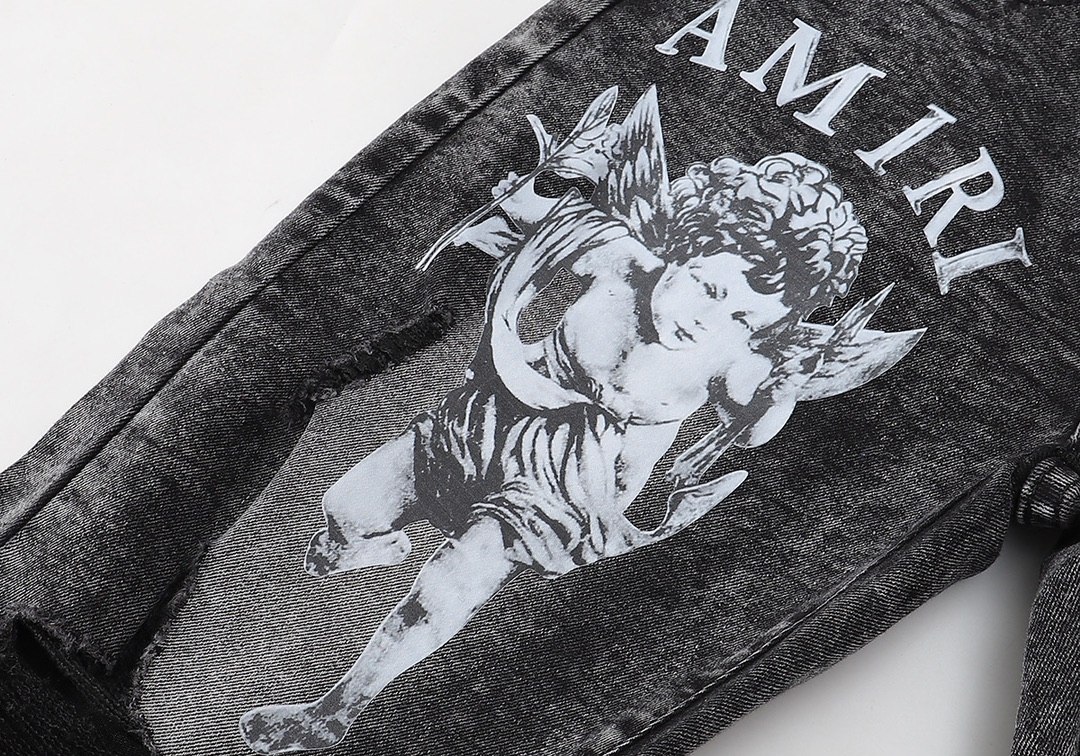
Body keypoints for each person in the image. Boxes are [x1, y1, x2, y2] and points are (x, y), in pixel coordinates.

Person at [238, 86, 921, 754]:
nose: (709, 319)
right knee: (346, 508)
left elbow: (756, 427)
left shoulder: (741, 359)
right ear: (681, 247)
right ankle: (362, 546)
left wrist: (781, 391)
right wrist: (538, 189)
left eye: (743, 316)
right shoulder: (623, 262)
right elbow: (532, 227)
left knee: (448, 585)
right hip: (488, 414)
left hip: (570, 481)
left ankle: (334, 711)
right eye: (709, 287)